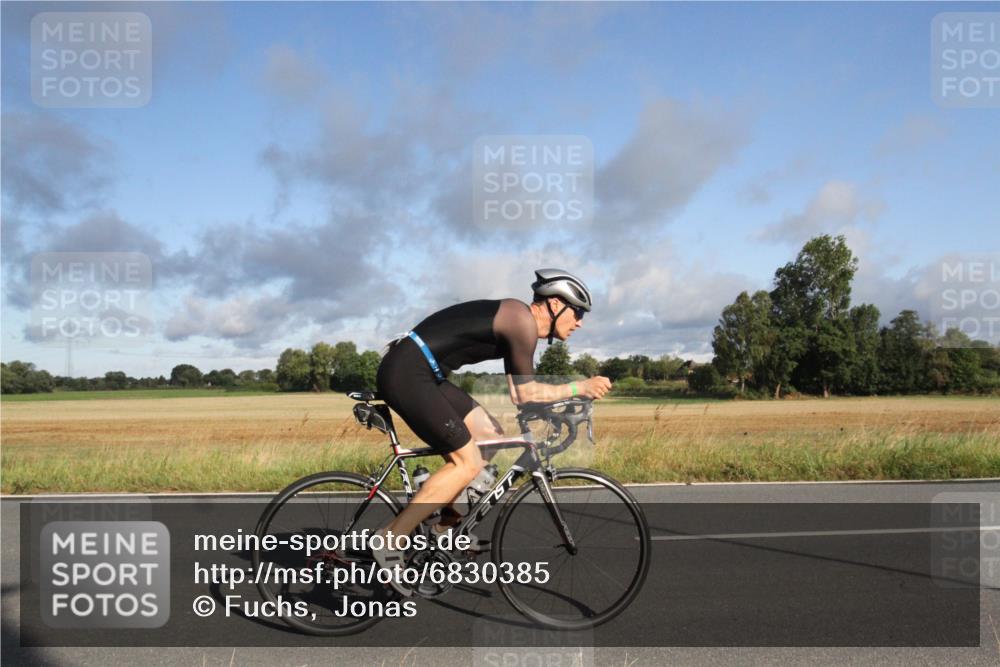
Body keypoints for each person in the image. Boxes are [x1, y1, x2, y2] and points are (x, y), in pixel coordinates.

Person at [371, 268, 612, 596]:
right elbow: (524, 394)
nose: (580, 321)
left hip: (427, 372)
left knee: (489, 434)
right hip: (408, 372)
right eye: (578, 312)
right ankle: (389, 540)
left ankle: (442, 521)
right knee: (466, 463)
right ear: (556, 304)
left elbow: (524, 395)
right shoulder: (521, 321)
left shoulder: (519, 322)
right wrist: (578, 387)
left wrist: (557, 409)